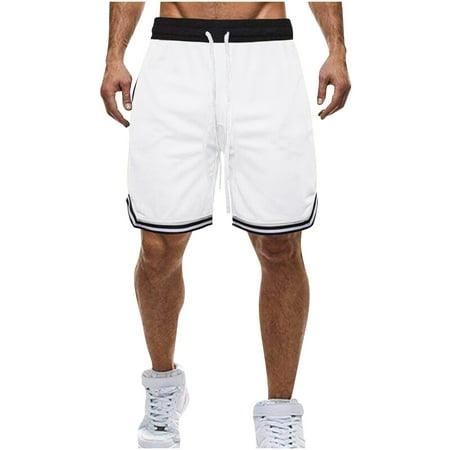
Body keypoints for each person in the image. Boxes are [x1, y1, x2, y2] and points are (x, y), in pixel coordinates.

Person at [100, 2, 350, 448]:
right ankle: (163, 387)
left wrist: (337, 48)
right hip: (176, 56)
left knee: (280, 244)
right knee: (158, 246)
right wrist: (114, 54)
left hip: (265, 59)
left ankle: (280, 415)